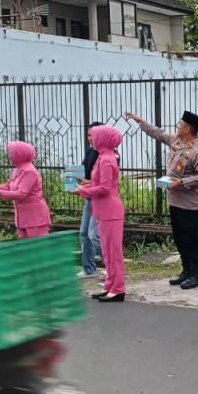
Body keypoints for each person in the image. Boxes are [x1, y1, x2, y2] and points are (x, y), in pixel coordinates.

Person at [125, 110, 198, 290]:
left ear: (187, 128)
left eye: (181, 124)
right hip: (175, 202)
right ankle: (186, 270)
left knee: (192, 239)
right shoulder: (176, 141)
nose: (178, 126)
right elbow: (157, 133)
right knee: (180, 238)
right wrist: (141, 121)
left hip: (190, 205)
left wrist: (182, 181)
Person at [75, 125, 125, 302]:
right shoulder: (102, 157)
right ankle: (110, 285)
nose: (92, 139)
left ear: (102, 139)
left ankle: (118, 288)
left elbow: (104, 188)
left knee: (113, 252)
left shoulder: (107, 160)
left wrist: (82, 191)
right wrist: (83, 187)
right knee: (106, 250)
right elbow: (97, 183)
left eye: (94, 136)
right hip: (103, 209)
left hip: (110, 210)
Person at [0, 141, 50, 238]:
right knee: (25, 249)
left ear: (19, 155)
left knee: (38, 248)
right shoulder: (17, 170)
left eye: (12, 154)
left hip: (35, 217)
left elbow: (21, 194)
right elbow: (8, 187)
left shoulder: (30, 171)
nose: (9, 156)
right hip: (23, 218)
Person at [76, 122, 106, 279]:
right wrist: (74, 178)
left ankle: (113, 264)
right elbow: (83, 173)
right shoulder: (90, 152)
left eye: (92, 135)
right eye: (88, 135)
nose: (90, 138)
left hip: (100, 200)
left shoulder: (108, 155)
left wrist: (84, 184)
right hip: (89, 198)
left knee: (94, 236)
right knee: (84, 234)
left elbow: (104, 183)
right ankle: (89, 268)